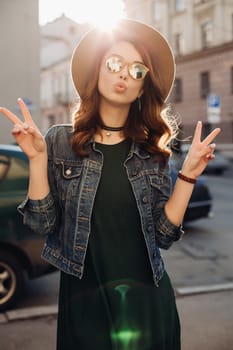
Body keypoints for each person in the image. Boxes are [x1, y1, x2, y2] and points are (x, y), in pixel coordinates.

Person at [0, 19, 220, 350]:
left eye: (137, 71)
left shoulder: (151, 152)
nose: (123, 75)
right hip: (84, 302)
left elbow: (163, 235)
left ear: (143, 87)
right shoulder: (60, 141)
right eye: (115, 63)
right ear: (97, 71)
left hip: (148, 301)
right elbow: (41, 223)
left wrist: (188, 175)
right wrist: (34, 160)